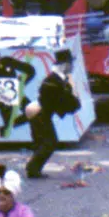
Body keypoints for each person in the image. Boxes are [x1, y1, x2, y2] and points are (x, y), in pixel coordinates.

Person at [25, 49, 80, 179]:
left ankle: (33, 168)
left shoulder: (57, 80)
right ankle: (32, 168)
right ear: (65, 65)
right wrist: (74, 103)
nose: (72, 66)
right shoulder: (53, 81)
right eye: (70, 63)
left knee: (42, 142)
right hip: (39, 113)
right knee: (50, 142)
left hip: (40, 112)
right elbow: (62, 99)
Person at [0, 49, 35, 137]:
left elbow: (30, 70)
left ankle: (8, 126)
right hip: (1, 99)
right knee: (8, 125)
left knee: (32, 112)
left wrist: (22, 82)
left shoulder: (7, 61)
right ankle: (5, 129)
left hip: (15, 93)